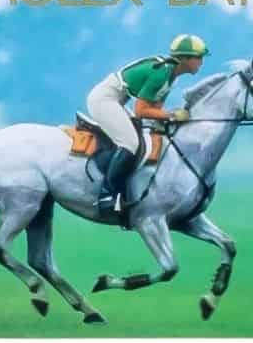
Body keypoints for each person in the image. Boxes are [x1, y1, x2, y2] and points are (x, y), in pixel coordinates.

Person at [86, 34, 208, 213]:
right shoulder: (161, 74)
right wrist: (172, 115)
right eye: (198, 57)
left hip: (117, 100)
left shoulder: (171, 74)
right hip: (104, 100)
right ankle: (106, 194)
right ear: (184, 59)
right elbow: (141, 110)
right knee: (130, 143)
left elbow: (155, 107)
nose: (201, 62)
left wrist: (167, 119)